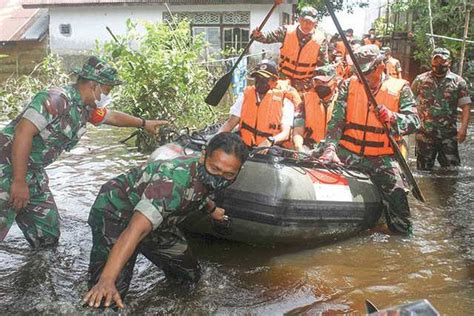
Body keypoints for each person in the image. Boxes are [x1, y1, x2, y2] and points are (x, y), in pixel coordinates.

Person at [0, 56, 168, 248]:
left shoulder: (86, 108)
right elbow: (23, 133)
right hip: (6, 166)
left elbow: (111, 116)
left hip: (32, 171)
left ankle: (39, 273)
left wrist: (144, 124)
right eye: (107, 90)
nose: (108, 95)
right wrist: (19, 181)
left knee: (47, 235)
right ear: (94, 85)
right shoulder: (55, 100)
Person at [83, 132, 247, 309]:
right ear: (203, 156)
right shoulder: (172, 183)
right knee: (107, 297)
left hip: (158, 219)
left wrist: (212, 209)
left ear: (238, 171)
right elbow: (135, 229)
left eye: (228, 175)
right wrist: (107, 280)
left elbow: (201, 190)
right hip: (116, 212)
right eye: (214, 169)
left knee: (190, 275)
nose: (219, 179)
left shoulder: (207, 174)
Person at [318, 45, 420, 235]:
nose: (363, 78)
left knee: (398, 198)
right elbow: (336, 121)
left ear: (380, 65)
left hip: (381, 157)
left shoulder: (401, 88)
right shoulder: (349, 85)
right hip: (347, 152)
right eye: (359, 72)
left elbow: (415, 121)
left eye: (366, 72)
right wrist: (330, 148)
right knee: (313, 159)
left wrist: (392, 117)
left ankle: (401, 238)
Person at [411, 48, 472, 171]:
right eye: (436, 60)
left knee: (451, 171)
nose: (439, 63)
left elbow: (466, 106)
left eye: (442, 60)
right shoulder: (420, 80)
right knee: (423, 172)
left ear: (449, 62)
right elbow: (409, 101)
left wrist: (463, 129)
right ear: (431, 61)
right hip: (424, 134)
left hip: (448, 135)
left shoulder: (458, 82)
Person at [218, 60, 296, 148]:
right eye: (257, 78)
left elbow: (285, 133)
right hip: (245, 144)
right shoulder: (246, 96)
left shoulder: (285, 101)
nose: (260, 82)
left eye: (264, 79)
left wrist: (270, 141)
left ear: (274, 80)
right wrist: (215, 139)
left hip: (270, 146)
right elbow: (230, 123)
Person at [252, 5, 326, 93]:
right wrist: (258, 35)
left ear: (315, 23)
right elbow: (268, 37)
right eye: (304, 20)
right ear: (299, 20)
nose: (307, 24)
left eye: (310, 22)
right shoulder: (286, 31)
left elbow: (323, 66)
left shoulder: (321, 39)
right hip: (283, 78)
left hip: (305, 83)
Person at [293, 65, 339, 152]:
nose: (320, 85)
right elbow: (298, 130)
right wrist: (299, 147)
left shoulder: (343, 101)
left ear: (335, 82)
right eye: (317, 82)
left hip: (335, 149)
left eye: (324, 82)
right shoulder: (305, 102)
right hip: (311, 148)